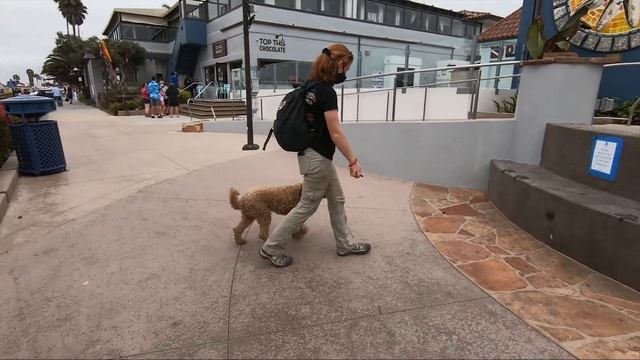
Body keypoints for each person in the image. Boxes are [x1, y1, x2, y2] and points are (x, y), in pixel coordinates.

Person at [259, 43, 370, 268]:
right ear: (339, 64)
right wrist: (353, 161)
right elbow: (336, 132)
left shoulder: (310, 86)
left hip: (315, 156)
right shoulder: (326, 92)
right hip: (317, 158)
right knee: (307, 205)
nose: (346, 72)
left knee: (337, 200)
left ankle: (345, 244)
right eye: (346, 67)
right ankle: (272, 247)